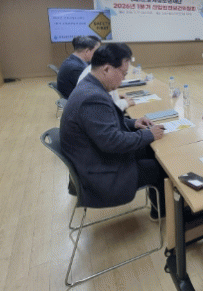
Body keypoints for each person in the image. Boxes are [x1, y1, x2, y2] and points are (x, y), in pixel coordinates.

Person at [60, 43, 165, 217]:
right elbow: (113, 142)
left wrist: (133, 123)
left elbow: (104, 124)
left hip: (94, 157)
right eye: (123, 73)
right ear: (107, 69)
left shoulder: (90, 86)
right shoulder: (92, 97)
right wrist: (148, 134)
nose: (123, 79)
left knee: (149, 150)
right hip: (99, 174)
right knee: (160, 167)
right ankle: (165, 215)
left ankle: (160, 207)